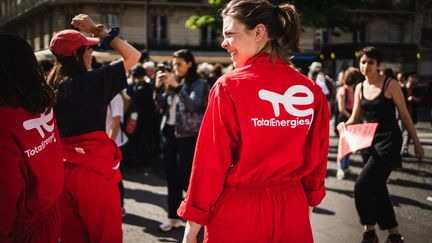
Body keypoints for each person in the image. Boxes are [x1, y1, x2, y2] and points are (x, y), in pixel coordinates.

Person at [178, 1, 329, 242]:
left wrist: (192, 226)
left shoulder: (229, 86)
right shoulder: (310, 89)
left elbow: (210, 161)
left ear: (259, 32)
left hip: (239, 212)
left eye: (229, 34)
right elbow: (317, 157)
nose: (223, 43)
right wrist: (306, 205)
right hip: (292, 208)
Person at [47, 14, 140, 242]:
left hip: (60, 170)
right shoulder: (95, 81)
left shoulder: (47, 87)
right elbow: (133, 55)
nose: (91, 53)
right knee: (104, 234)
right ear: (78, 55)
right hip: (93, 171)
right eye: (87, 50)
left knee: (71, 235)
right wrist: (98, 30)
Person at [337, 47, 424, 243]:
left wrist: (417, 144)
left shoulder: (390, 85)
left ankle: (369, 231)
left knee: (362, 186)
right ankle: (394, 236)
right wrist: (344, 124)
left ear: (378, 65)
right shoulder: (359, 87)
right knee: (377, 187)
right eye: (363, 62)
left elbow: (405, 115)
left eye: (370, 62)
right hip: (369, 142)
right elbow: (355, 118)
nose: (366, 66)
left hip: (389, 141)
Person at [0, 32, 64, 242]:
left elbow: (5, 200)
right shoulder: (41, 101)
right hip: (48, 214)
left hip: (22, 230)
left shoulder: (5, 121)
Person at [155, 49, 208, 232]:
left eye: (179, 64)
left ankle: (195, 216)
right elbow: (161, 105)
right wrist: (158, 88)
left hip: (188, 134)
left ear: (189, 64)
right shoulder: (173, 81)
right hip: (170, 132)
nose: (175, 67)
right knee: (171, 176)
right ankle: (173, 216)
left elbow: (193, 105)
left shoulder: (198, 82)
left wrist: (177, 86)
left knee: (186, 177)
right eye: (174, 64)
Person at [336, 67, 363, 179]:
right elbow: (341, 109)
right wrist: (353, 117)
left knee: (349, 145)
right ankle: (341, 168)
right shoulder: (343, 90)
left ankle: (345, 166)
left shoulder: (354, 89)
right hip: (344, 119)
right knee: (343, 145)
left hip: (351, 118)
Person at [106, 93, 128, 217]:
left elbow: (116, 122)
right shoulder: (104, 94)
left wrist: (110, 144)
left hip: (113, 144)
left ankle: (120, 207)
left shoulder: (116, 97)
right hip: (103, 142)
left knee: (116, 177)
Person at [401, 73, 421, 156]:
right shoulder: (402, 88)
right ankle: (404, 148)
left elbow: (419, 100)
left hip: (412, 113)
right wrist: (407, 99)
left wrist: (415, 99)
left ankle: (405, 149)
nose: (414, 79)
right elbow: (399, 101)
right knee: (406, 131)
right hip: (403, 113)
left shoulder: (415, 89)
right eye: (412, 77)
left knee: (409, 132)